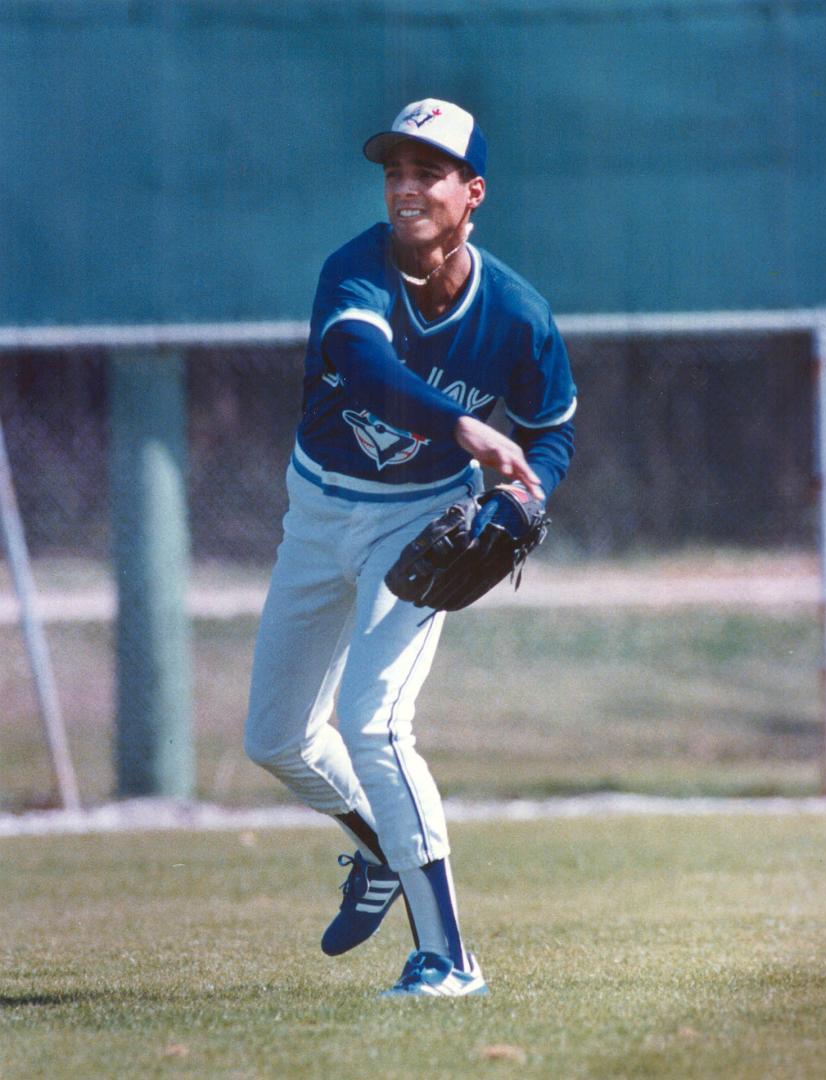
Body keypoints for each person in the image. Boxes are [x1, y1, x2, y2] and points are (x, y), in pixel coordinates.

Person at [244, 98, 576, 997]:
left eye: (429, 172)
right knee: (274, 737)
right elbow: (362, 366)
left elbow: (551, 431)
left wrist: (520, 494)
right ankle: (383, 852)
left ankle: (449, 959)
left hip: (417, 517)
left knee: (374, 722)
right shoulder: (354, 270)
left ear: (472, 193)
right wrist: (465, 425)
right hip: (315, 513)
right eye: (395, 170)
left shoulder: (516, 312)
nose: (406, 186)